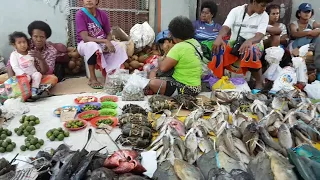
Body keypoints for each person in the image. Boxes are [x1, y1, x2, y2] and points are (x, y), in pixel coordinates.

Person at [209, 0, 272, 93]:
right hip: (235, 43)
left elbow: (259, 36)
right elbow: (226, 27)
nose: (264, 9)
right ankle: (220, 79)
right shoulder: (236, 11)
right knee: (218, 47)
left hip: (255, 44)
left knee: (250, 50)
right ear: (254, 2)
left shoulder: (264, 16)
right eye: (262, 5)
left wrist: (249, 41)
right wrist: (219, 37)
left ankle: (259, 82)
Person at [75, 0, 128, 89]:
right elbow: (85, 38)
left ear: (97, 1)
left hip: (102, 41)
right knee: (92, 45)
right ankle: (92, 78)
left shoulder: (102, 14)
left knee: (119, 46)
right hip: (85, 44)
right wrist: (105, 41)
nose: (88, 0)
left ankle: (112, 75)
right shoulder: (80, 14)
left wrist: (108, 41)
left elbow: (108, 33)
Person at [148, 16, 202, 96]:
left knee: (153, 80)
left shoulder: (179, 47)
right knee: (157, 76)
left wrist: (160, 60)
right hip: (196, 86)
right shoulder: (195, 42)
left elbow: (163, 68)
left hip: (186, 88)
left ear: (174, 34)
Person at [7, 21, 61, 87]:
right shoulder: (24, 43)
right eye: (35, 36)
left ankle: (33, 88)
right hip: (20, 77)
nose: (38, 40)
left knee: (53, 79)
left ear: (46, 38)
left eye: (42, 37)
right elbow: (10, 65)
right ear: (31, 36)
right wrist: (12, 83)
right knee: (3, 78)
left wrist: (41, 59)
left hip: (39, 77)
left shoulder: (51, 51)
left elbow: (48, 72)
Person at [9, 32, 42, 97]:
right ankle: (25, 93)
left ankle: (34, 89)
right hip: (22, 76)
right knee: (26, 78)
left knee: (38, 75)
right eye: (19, 43)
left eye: (24, 42)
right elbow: (15, 67)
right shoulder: (14, 55)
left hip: (32, 73)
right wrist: (22, 74)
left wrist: (36, 70)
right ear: (14, 45)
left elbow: (34, 64)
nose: (23, 45)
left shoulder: (30, 53)